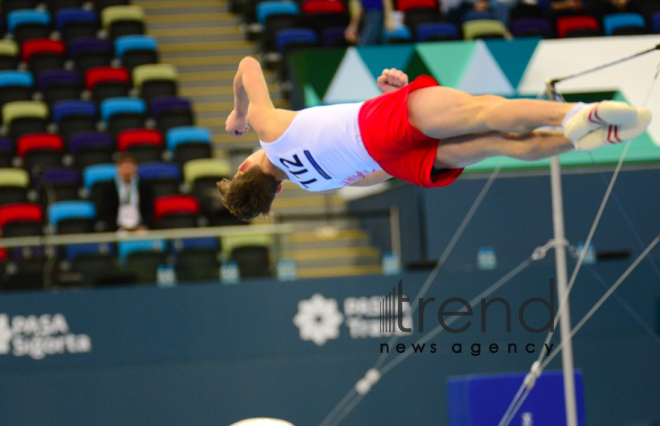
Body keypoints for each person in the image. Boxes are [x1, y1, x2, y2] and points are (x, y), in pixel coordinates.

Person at [219, 57, 651, 221]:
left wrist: (392, 119)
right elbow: (248, 64)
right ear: (244, 167)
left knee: (498, 142)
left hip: (396, 162)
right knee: (485, 110)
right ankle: (577, 114)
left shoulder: (313, 184)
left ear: (275, 190)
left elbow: (369, 176)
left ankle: (587, 137)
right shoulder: (269, 132)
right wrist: (241, 113)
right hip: (376, 127)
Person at [99, 153, 154, 231]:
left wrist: (144, 226)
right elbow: (106, 211)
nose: (127, 168)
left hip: (140, 227)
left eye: (130, 165)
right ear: (118, 168)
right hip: (116, 228)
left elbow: (149, 209)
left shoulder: (144, 186)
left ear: (135, 167)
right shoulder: (109, 187)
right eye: (124, 165)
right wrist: (116, 228)